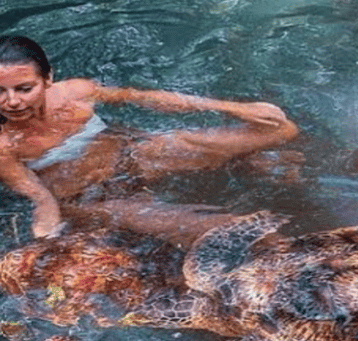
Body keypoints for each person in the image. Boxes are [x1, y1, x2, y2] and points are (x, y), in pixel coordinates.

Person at [0, 36, 298, 238]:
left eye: (24, 88)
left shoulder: (76, 93)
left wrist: (233, 108)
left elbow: (143, 98)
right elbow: (39, 194)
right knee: (211, 228)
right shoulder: (3, 143)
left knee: (280, 129)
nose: (12, 102)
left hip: (133, 158)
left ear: (47, 79)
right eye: (0, 90)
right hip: (93, 198)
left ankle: (239, 162)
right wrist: (49, 218)